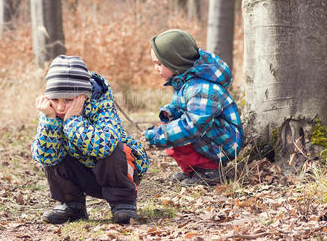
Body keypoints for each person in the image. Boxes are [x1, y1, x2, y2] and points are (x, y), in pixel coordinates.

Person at [32, 55, 149, 224]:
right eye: (55, 99)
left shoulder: (101, 107)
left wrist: (73, 121)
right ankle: (72, 204)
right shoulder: (51, 113)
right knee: (52, 146)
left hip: (118, 175)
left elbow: (104, 147)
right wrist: (49, 122)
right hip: (84, 175)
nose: (60, 107)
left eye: (68, 100)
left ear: (84, 96)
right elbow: (45, 157)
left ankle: (123, 204)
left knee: (114, 149)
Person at [142, 29, 243, 186]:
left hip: (224, 144)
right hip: (212, 138)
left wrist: (157, 136)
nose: (156, 69)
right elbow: (180, 105)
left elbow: (193, 127)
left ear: (176, 63)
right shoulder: (185, 82)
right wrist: (170, 112)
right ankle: (194, 170)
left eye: (160, 64)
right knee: (173, 125)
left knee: (179, 131)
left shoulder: (202, 88)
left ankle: (209, 171)